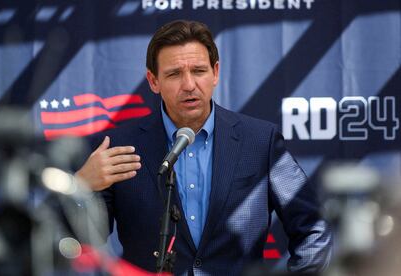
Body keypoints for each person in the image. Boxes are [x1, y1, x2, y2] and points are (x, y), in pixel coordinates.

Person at [75, 20, 332, 275]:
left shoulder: (260, 141)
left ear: (215, 72)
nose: (189, 85)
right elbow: (77, 242)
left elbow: (312, 227)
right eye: (174, 74)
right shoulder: (119, 147)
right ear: (154, 81)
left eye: (198, 71)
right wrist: (81, 188)